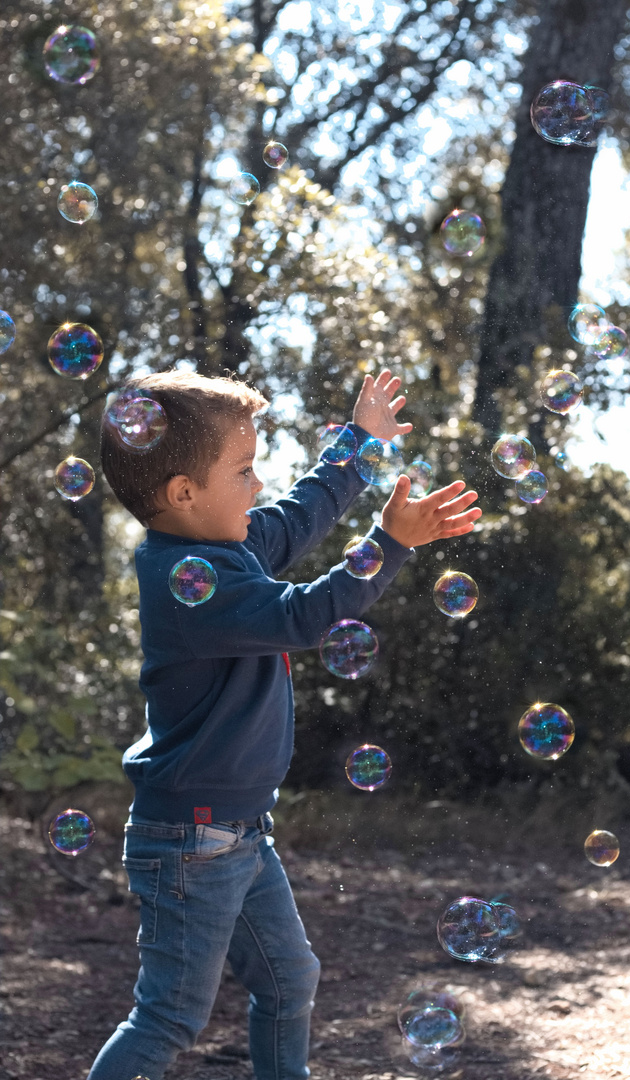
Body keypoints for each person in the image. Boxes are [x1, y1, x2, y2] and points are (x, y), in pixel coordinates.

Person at [90, 367, 481, 1080]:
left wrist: (360, 442)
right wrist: (387, 543)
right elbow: (302, 615)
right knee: (170, 1017)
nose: (257, 485)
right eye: (243, 471)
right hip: (191, 841)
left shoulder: (222, 550)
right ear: (184, 493)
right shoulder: (187, 582)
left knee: (289, 981)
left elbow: (304, 511)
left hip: (236, 832)